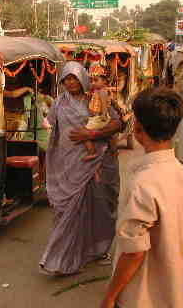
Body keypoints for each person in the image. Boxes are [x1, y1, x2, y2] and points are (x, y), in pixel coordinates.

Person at [100, 87, 183, 308]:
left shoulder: (144, 184)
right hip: (171, 291)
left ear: (137, 128)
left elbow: (134, 252)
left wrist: (110, 296)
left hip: (141, 298)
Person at [39, 61, 122, 276]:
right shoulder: (58, 104)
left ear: (83, 79)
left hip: (97, 163)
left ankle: (97, 250)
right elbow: (49, 125)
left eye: (74, 78)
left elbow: (115, 123)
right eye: (66, 78)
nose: (70, 82)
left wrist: (91, 134)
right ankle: (61, 261)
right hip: (68, 166)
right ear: (61, 82)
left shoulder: (94, 98)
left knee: (99, 207)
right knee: (66, 212)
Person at [83, 63, 112, 162]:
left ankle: (92, 152)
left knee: (84, 134)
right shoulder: (96, 90)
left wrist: (103, 115)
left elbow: (104, 104)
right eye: (92, 81)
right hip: (96, 117)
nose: (93, 83)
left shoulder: (102, 91)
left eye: (96, 80)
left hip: (99, 117)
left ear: (104, 81)